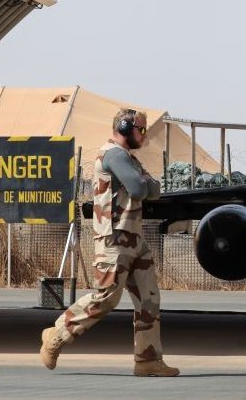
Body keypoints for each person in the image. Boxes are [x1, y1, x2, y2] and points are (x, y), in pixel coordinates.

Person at [39, 108, 179, 377]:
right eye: (141, 129)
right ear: (126, 127)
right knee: (105, 298)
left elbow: (156, 190)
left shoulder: (128, 158)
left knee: (149, 299)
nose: (144, 134)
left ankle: (148, 359)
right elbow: (140, 189)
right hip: (114, 240)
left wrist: (145, 183)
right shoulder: (114, 155)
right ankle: (56, 335)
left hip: (134, 239)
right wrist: (144, 183)